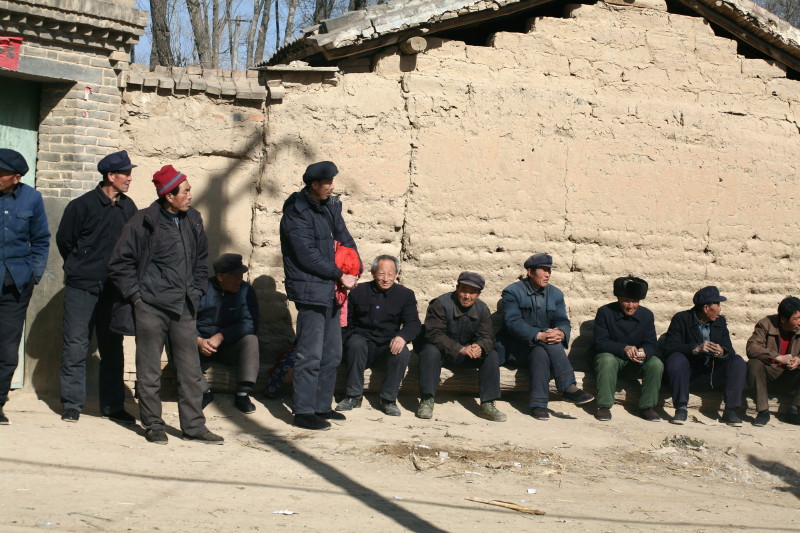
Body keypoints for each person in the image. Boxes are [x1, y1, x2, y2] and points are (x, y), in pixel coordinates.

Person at [109, 165, 223, 445]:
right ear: (168, 196)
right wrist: (137, 297)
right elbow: (119, 263)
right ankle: (153, 425)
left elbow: (201, 259)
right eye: (184, 191)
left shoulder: (193, 219)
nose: (190, 195)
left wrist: (196, 290)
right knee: (148, 371)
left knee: (190, 371)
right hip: (150, 306)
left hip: (184, 307)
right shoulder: (143, 221)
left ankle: (194, 427)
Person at [56, 150, 138, 424]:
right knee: (76, 346)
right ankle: (71, 405)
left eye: (129, 173)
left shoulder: (129, 208)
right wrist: (82, 267)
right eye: (125, 173)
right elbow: (65, 242)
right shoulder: (81, 206)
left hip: (114, 292)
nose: (129, 178)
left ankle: (113, 407)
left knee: (112, 349)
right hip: (82, 288)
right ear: (110, 176)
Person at [279, 161, 359, 430]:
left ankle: (322, 406)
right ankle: (303, 411)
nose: (332, 186)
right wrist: (339, 274)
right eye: (328, 182)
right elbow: (307, 255)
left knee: (332, 353)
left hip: (333, 291)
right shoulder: (296, 213)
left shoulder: (330, 206)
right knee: (310, 355)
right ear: (314, 184)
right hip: (311, 290)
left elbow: (345, 238)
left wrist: (354, 266)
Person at [496, 253, 594, 421]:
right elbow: (512, 323)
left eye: (549, 270)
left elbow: (562, 320)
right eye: (543, 270)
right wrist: (538, 335)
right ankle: (567, 387)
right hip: (517, 348)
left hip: (542, 349)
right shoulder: (512, 292)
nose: (548, 274)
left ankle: (538, 405)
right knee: (548, 344)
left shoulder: (556, 294)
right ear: (530, 271)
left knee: (542, 351)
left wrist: (561, 332)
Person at [0, 149, 49, 425]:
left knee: (7, 349)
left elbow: (41, 239)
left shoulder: (32, 198)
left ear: (16, 178)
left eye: (1, 173)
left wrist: (33, 274)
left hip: (16, 285)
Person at [336, 255, 420, 417]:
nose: (386, 279)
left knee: (403, 352)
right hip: (361, 349)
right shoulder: (357, 291)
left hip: (386, 348)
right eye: (381, 274)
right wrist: (350, 339)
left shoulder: (405, 295)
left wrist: (402, 337)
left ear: (396, 275)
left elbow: (413, 323)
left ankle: (388, 400)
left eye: (390, 274)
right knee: (355, 342)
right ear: (373, 273)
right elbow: (346, 322)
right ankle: (353, 396)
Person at [416, 271, 506, 422]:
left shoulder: (482, 309)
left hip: (466, 355)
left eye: (472, 293)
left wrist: (479, 346)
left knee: (492, 355)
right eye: (464, 290)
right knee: (430, 351)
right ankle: (427, 399)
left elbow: (488, 336)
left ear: (478, 294)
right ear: (457, 288)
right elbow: (434, 334)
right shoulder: (440, 304)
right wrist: (460, 349)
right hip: (443, 352)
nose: (467, 296)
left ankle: (487, 404)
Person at [662, 286, 746, 426]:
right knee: (676, 359)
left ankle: (731, 411)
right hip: (688, 376)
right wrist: (695, 348)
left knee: (737, 361)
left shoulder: (720, 321)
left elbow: (730, 350)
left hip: (711, 375)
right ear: (706, 308)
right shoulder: (682, 319)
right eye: (717, 305)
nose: (720, 309)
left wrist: (722, 351)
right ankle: (681, 408)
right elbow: (669, 348)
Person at [196, 253, 260, 414]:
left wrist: (222, 336)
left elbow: (250, 323)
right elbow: (186, 320)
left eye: (241, 276)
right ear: (220, 276)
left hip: (229, 346)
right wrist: (198, 340)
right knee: (178, 341)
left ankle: (242, 394)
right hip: (201, 345)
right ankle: (204, 392)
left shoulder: (246, 291)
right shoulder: (202, 289)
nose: (239, 280)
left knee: (251, 340)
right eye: (235, 277)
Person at [593, 276, 664, 422]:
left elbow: (651, 344)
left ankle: (647, 407)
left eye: (635, 301)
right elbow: (600, 342)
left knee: (656, 363)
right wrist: (624, 348)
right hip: (612, 362)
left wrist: (643, 352)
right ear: (618, 298)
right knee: (606, 359)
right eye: (626, 300)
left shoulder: (647, 315)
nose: (630, 305)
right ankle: (604, 406)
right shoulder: (605, 312)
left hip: (634, 363)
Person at [745, 296, 800, 427]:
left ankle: (795, 410)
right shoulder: (766, 324)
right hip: (768, 377)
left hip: (791, 378)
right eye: (796, 319)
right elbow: (752, 348)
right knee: (754, 364)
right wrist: (777, 357)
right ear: (783, 319)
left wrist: (799, 360)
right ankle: (763, 411)